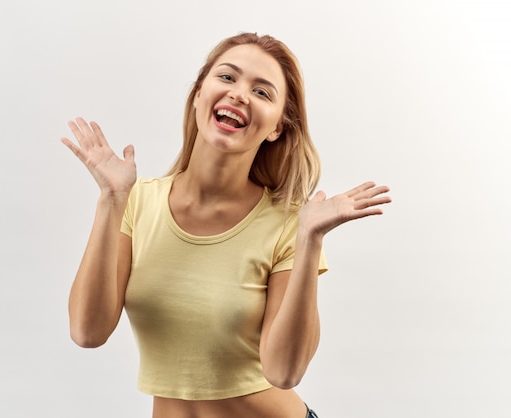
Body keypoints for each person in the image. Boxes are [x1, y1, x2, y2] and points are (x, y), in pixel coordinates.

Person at [61, 32, 391, 418]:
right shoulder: (135, 202)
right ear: (199, 94)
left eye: (263, 93)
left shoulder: (287, 224)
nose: (239, 94)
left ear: (276, 128)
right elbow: (88, 332)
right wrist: (111, 201)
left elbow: (284, 372)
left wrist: (310, 239)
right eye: (228, 77)